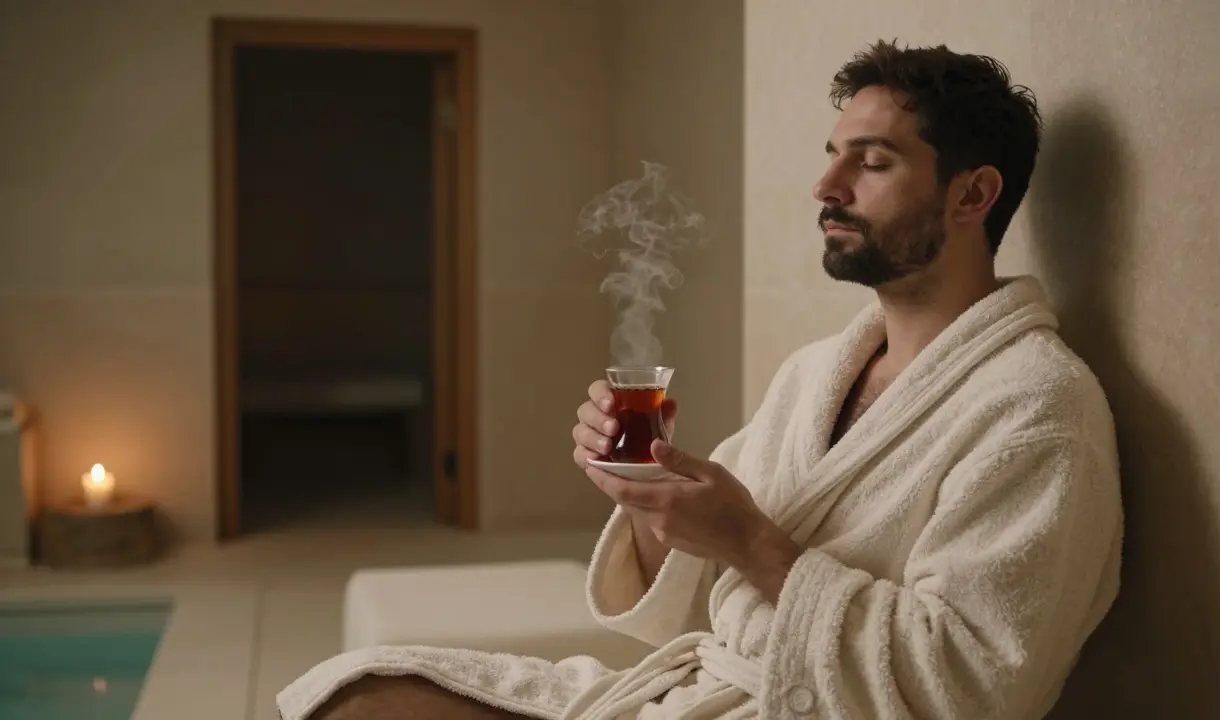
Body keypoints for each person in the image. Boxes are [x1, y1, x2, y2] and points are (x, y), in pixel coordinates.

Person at [278, 39, 1123, 720]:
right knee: (359, 693)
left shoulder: (1038, 410)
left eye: (870, 163)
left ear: (973, 194)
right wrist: (652, 502)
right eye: (832, 156)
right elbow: (688, 607)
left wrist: (751, 541)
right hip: (703, 692)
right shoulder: (816, 374)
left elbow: (974, 690)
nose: (825, 187)